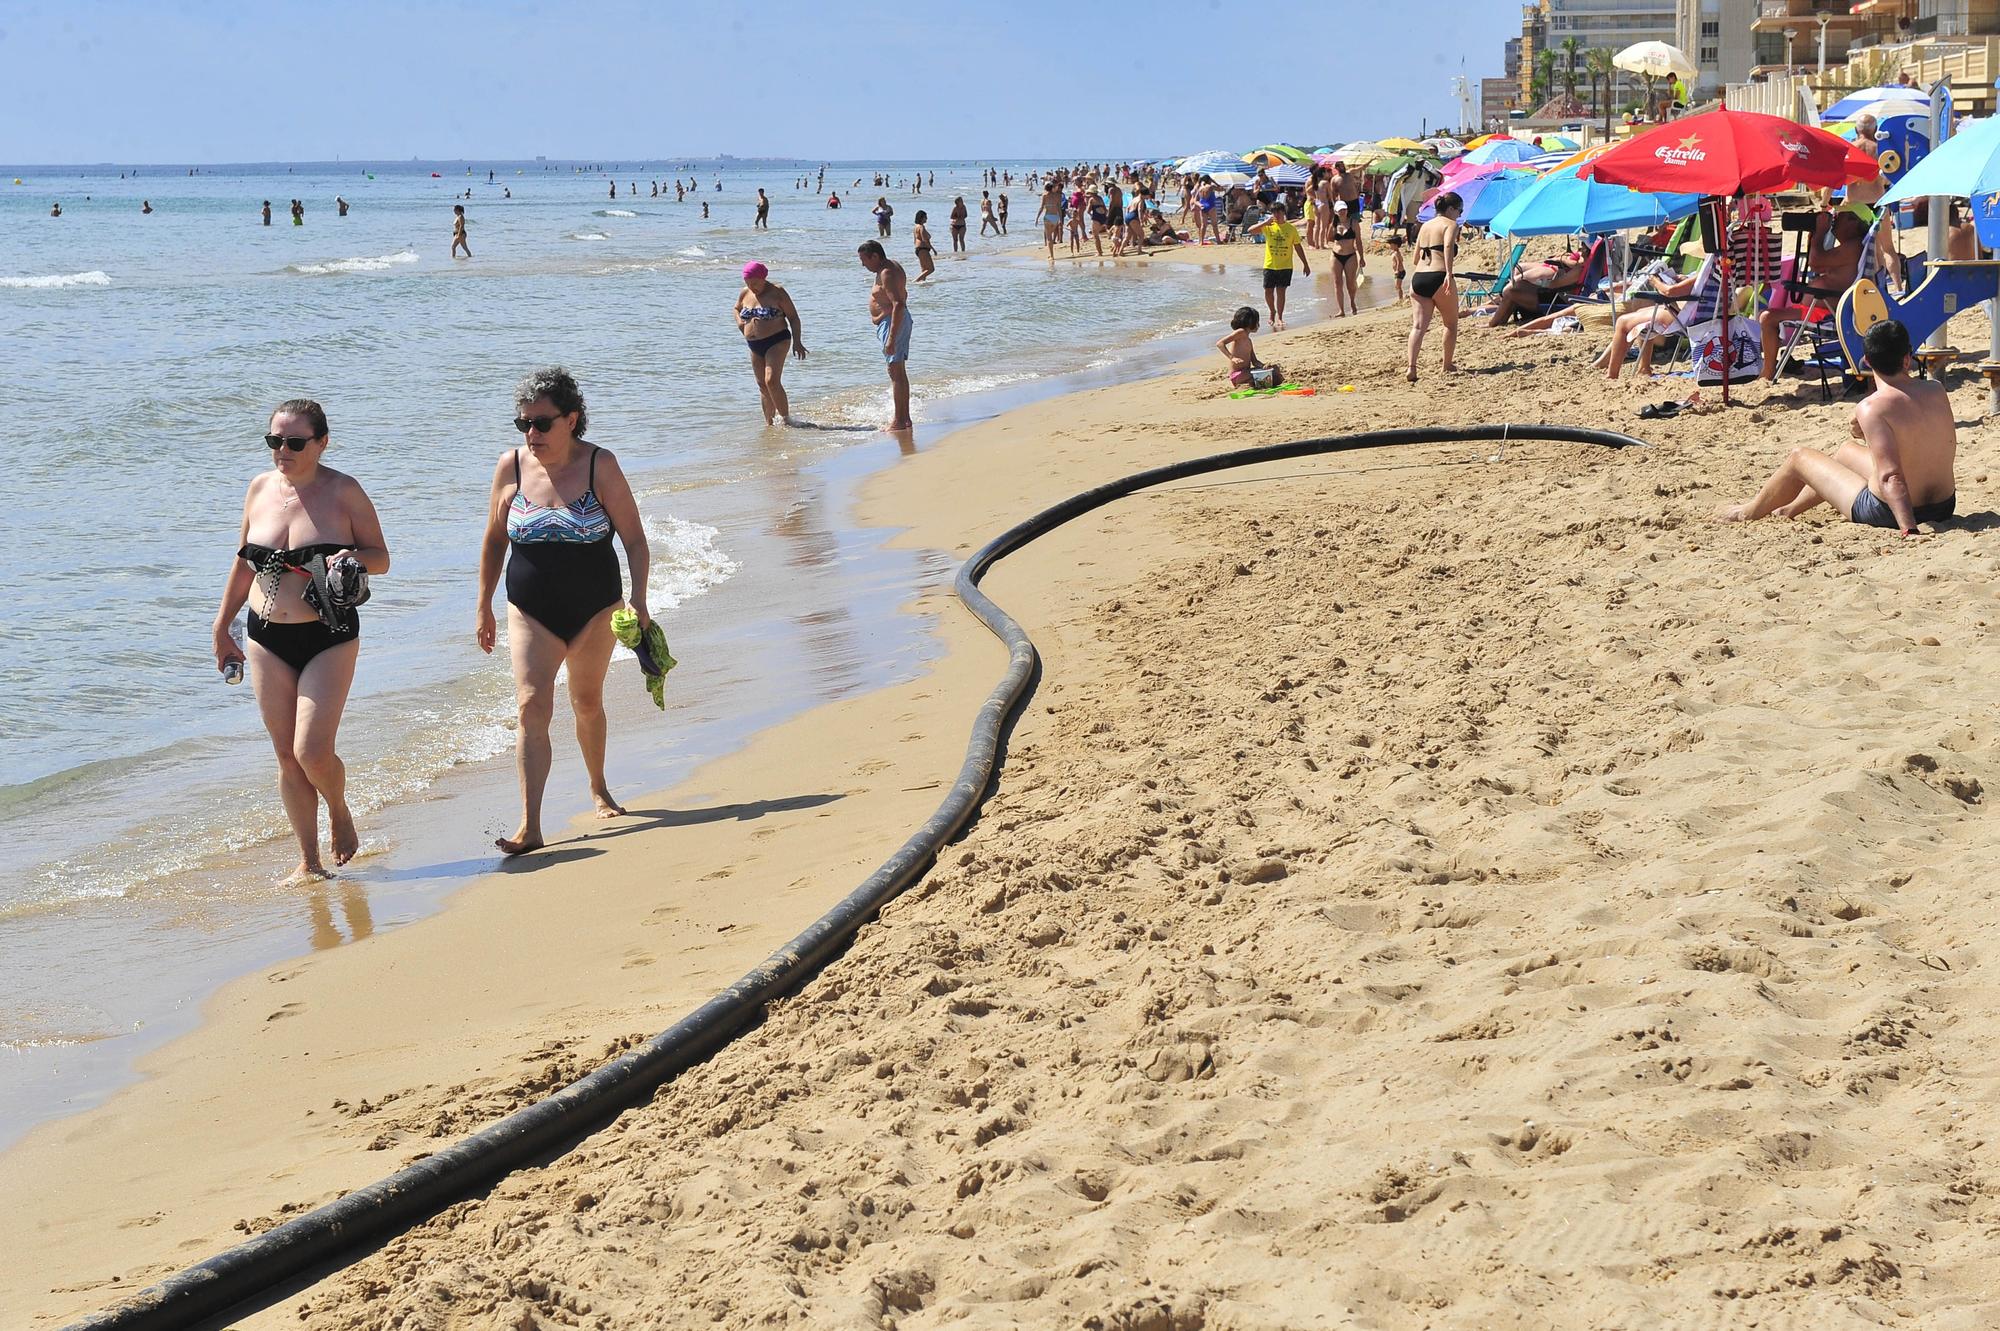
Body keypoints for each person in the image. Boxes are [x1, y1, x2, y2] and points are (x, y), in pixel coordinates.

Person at [213, 398, 391, 882]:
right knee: (286, 755)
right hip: (265, 635)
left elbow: (382, 558)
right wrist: (221, 626)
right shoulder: (259, 489)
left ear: (322, 442)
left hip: (328, 633)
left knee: (312, 750)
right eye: (275, 441)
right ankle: (309, 863)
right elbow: (242, 561)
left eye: (294, 442)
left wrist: (349, 557)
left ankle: (339, 808)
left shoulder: (344, 491)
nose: (282, 451)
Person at [476, 369, 651, 855]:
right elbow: (493, 542)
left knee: (587, 701)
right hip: (529, 608)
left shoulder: (601, 465)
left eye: (542, 423)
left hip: (596, 607)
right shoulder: (510, 466)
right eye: (523, 424)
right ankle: (530, 825)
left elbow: (634, 540)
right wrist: (483, 606)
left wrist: (640, 599)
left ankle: (598, 786)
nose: (531, 434)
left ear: (572, 420)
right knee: (532, 705)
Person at [1717, 319, 1955, 533]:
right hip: (1944, 506)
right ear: (1907, 358)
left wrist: (1908, 528)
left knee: (1798, 457)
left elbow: (1891, 476)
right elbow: (1917, 442)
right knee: (1845, 452)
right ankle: (1788, 510)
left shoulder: (1871, 407)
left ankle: (1747, 512)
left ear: (1867, 361)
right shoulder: (1935, 389)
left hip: (1891, 512)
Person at [1759, 210, 1865, 380]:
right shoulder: (1851, 246)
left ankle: (1768, 373)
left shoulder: (1854, 246)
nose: (1834, 221)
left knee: (1767, 317)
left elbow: (1815, 262)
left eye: (1840, 218)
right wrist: (1816, 237)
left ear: (1854, 223)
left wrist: (1820, 233)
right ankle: (1770, 369)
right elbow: (1819, 265)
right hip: (1820, 305)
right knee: (1769, 316)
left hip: (1824, 310)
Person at [735, 261, 807, 425]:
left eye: (755, 283)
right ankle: (769, 423)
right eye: (748, 283)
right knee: (762, 385)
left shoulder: (777, 292)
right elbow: (736, 308)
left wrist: (798, 342)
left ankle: (787, 419)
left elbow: (794, 318)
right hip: (754, 345)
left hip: (778, 340)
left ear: (764, 278)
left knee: (771, 380)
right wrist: (740, 322)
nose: (752, 287)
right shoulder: (745, 293)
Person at [858, 240, 913, 430]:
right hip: (893, 321)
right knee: (898, 372)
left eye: (864, 260)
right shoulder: (891, 266)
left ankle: (899, 420)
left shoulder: (886, 272)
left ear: (875, 256)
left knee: (895, 372)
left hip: (893, 324)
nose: (863, 265)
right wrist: (882, 315)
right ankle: (904, 418)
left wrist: (891, 337)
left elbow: (898, 303)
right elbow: (902, 297)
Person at [1407, 191, 1462, 382]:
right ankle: (1447, 365)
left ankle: (1412, 367)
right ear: (1450, 209)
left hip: (1419, 278)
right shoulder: (1451, 224)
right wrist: (1448, 272)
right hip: (1439, 276)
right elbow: (1448, 246)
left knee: (1418, 326)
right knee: (1451, 324)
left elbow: (1415, 258)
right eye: (1459, 211)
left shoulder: (1425, 226)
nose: (1460, 215)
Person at [1247, 201, 1309, 330]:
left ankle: (1280, 316)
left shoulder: (1290, 229)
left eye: (1279, 212)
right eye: (1274, 212)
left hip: (1285, 266)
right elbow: (1250, 230)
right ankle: (1272, 311)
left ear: (1283, 213)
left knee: (1281, 291)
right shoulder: (1268, 226)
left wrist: (1305, 264)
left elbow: (1298, 247)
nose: (1277, 215)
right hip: (1270, 265)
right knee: (1268, 291)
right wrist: (1265, 222)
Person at [1327, 201, 1363, 317]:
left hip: (1350, 255)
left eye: (1344, 209)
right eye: (1340, 210)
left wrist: (1362, 257)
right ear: (1336, 212)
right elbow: (1329, 238)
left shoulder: (1354, 223)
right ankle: (1341, 310)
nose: (1343, 212)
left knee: (1350, 282)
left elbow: (1358, 241)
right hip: (1336, 255)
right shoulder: (1334, 224)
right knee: (1337, 282)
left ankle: (1352, 302)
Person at [1216, 306, 1266, 385]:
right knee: (1267, 376)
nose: (1258, 325)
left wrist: (1264, 366)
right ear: (1251, 322)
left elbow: (1255, 362)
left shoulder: (1249, 341)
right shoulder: (1240, 332)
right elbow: (1220, 344)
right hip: (1237, 375)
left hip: (1245, 373)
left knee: (1272, 370)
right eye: (1257, 322)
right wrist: (1232, 357)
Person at [1039, 180, 1064, 259]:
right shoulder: (1058, 196)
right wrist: (1061, 219)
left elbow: (1042, 207)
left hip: (1048, 216)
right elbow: (1059, 208)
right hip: (1055, 217)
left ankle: (1052, 255)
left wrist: (1037, 217)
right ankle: (1051, 254)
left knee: (1049, 238)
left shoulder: (1045, 195)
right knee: (1052, 235)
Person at [912, 209, 937, 281]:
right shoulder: (921, 227)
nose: (926, 219)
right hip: (923, 249)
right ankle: (915, 281)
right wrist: (933, 249)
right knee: (931, 269)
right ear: (921, 218)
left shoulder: (916, 227)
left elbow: (915, 240)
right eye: (925, 217)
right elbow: (925, 239)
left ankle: (923, 286)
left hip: (918, 249)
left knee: (924, 270)